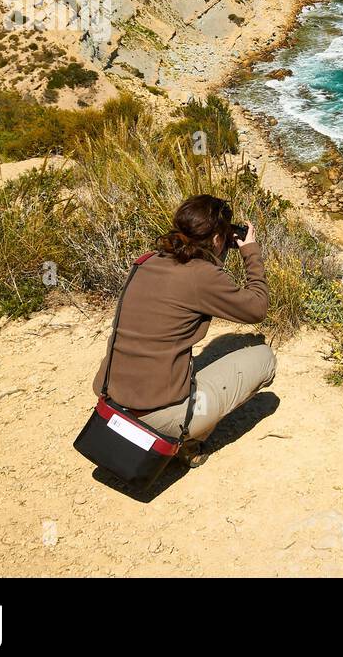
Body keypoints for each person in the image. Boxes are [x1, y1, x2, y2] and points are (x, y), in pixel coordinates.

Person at [90, 194, 276, 467]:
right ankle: (186, 442)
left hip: (112, 399)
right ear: (216, 239)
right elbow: (257, 308)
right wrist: (250, 251)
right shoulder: (202, 275)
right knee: (264, 359)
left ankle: (171, 427)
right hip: (154, 417)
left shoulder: (145, 262)